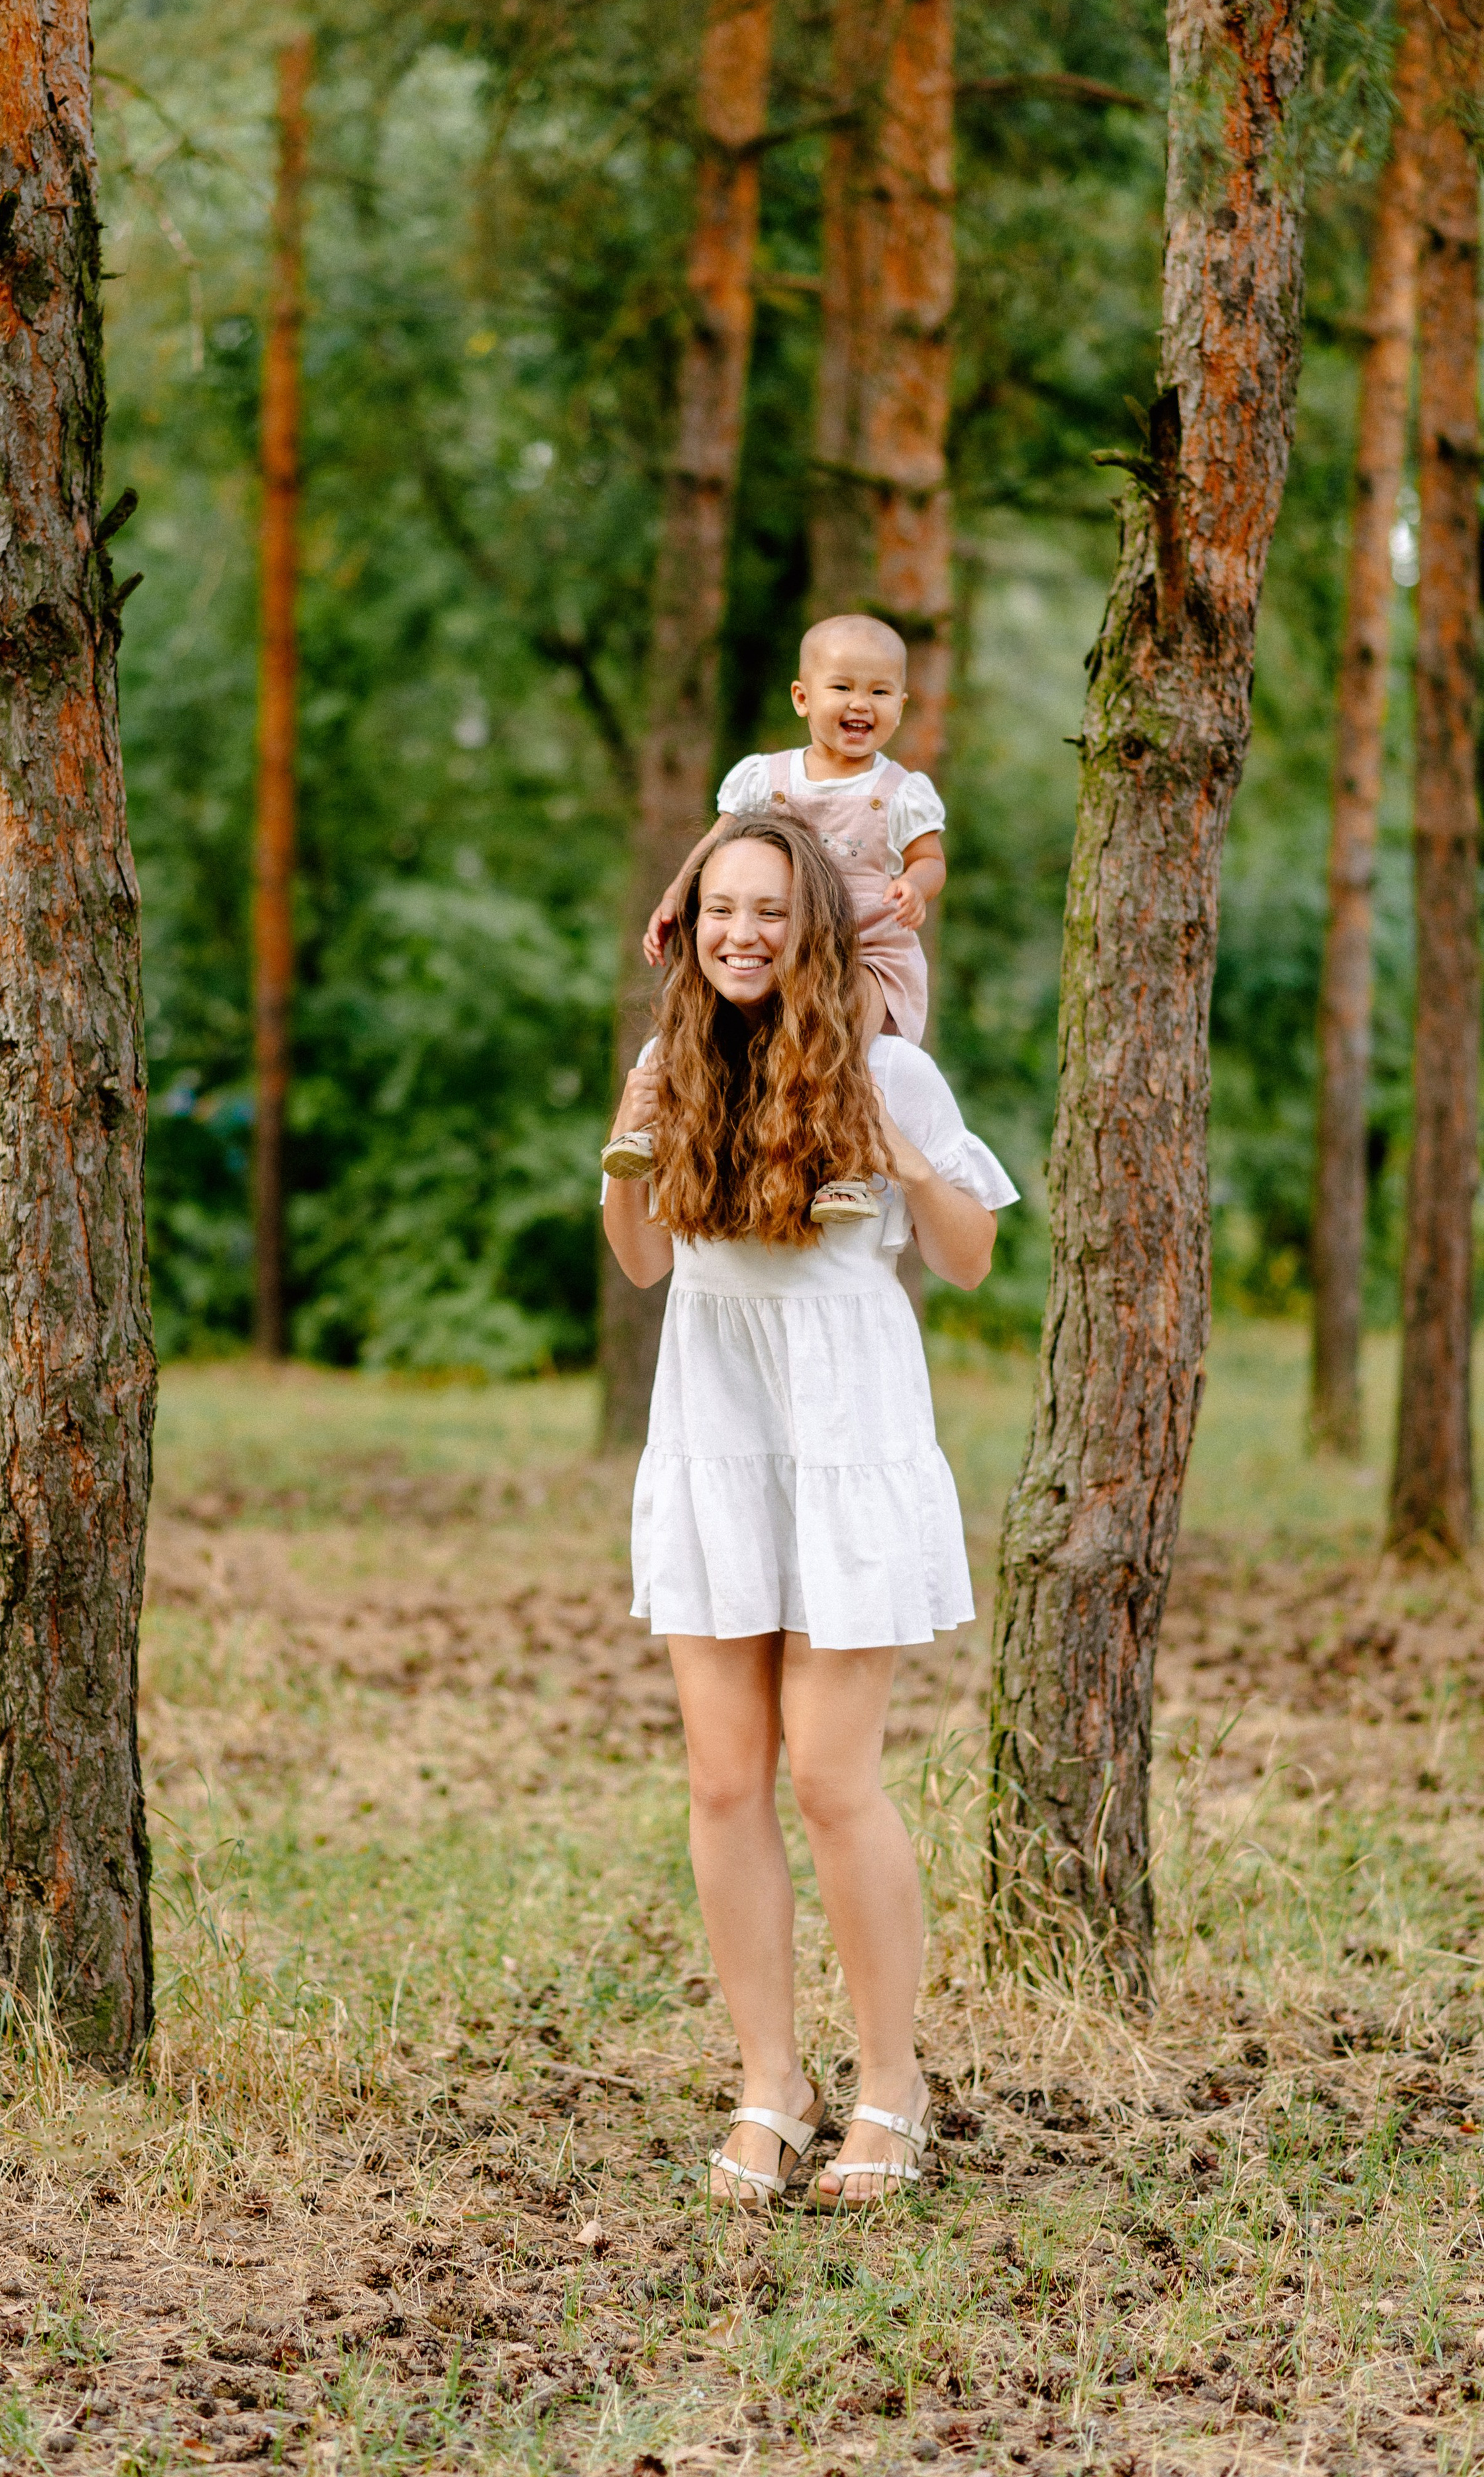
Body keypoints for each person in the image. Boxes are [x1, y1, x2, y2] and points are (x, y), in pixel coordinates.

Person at [601, 812, 1017, 2211]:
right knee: (723, 1780)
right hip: (716, 1432)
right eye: (721, 908)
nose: (742, 934)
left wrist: (904, 1156)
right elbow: (644, 1262)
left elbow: (965, 1260)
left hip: (843, 1438)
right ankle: (769, 2080)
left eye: (770, 911)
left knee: (832, 1779)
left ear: (815, 926)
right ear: (690, 919)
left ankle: (889, 2082)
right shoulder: (674, 1064)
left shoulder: (889, 1063)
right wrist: (625, 1145)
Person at [601, 613, 947, 1224]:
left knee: (842, 1032)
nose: (860, 704)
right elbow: (716, 843)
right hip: (779, 943)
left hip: (865, 952)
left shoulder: (900, 791)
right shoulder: (768, 778)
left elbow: (929, 860)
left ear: (901, 703)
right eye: (842, 687)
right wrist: (676, 894)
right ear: (802, 696)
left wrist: (913, 886)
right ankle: (644, 1133)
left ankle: (845, 1170)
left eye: (880, 691)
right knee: (693, 1015)